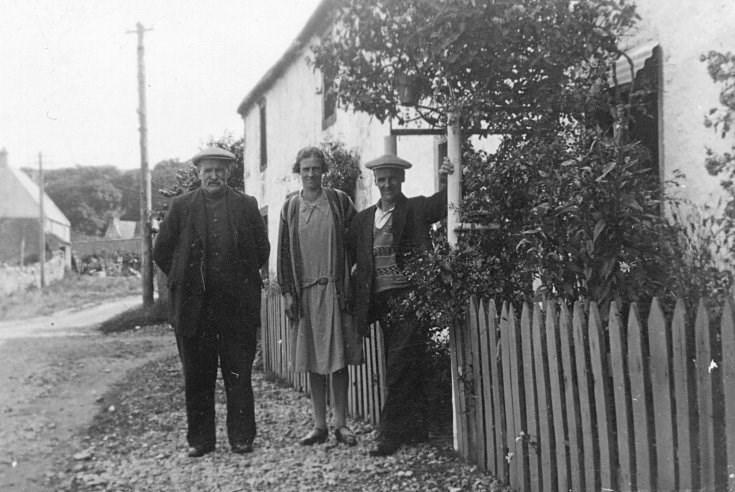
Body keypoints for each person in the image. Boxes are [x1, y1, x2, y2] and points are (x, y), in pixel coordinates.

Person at [153, 146, 269, 458]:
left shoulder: (246, 205)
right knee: (197, 377)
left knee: (238, 376)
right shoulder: (181, 206)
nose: (214, 175)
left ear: (228, 173)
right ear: (199, 173)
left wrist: (239, 281)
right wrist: (183, 280)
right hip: (194, 311)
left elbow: (262, 249)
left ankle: (242, 438)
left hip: (236, 310)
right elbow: (161, 251)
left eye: (219, 169)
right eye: (208, 170)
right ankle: (201, 441)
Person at [347, 152, 453, 457]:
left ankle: (389, 435)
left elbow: (444, 201)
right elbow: (351, 249)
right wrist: (356, 270)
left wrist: (448, 175)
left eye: (392, 178)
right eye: (381, 179)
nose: (386, 184)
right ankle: (417, 430)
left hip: (409, 298)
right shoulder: (364, 218)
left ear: (401, 179)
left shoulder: (415, 208)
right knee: (408, 364)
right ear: (375, 181)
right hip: (379, 302)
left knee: (397, 367)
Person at [277, 146, 363, 447]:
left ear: (323, 170)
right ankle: (319, 425)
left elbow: (359, 235)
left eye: (315, 168)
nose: (311, 174)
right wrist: (287, 292)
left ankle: (341, 424)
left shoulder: (339, 201)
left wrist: (355, 269)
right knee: (313, 360)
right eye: (305, 169)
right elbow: (284, 257)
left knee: (338, 361)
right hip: (306, 295)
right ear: (298, 172)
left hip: (336, 292)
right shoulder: (290, 208)